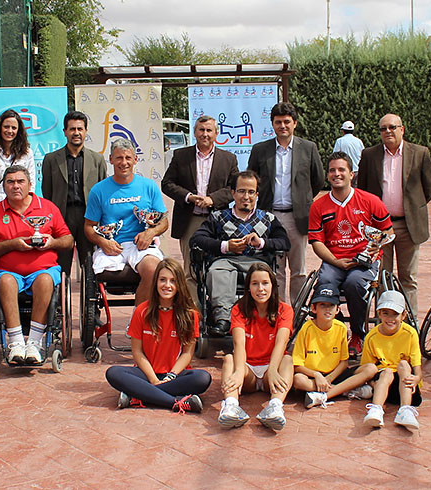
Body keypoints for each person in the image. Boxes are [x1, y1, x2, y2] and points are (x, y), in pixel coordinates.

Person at [0, 165, 74, 365]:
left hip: (44, 269)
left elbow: (68, 240)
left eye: (20, 181)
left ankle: (35, 343)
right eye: (10, 182)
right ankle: (16, 343)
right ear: (3, 187)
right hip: (9, 271)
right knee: (4, 281)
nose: (15, 186)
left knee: (45, 280)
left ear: (30, 184)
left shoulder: (47, 208)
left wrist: (51, 242)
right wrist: (11, 244)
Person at [308, 152, 392, 354]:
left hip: (365, 261)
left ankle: (357, 334)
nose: (337, 174)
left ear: (352, 174)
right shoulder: (318, 205)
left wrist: (377, 246)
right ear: (327, 175)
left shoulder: (370, 201)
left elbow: (388, 231)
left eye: (341, 170)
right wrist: (336, 261)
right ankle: (331, 331)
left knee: (354, 283)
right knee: (325, 281)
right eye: (332, 170)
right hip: (333, 260)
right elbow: (316, 242)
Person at [189, 171, 290, 336]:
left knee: (263, 275)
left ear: (257, 195)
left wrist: (262, 243)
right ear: (233, 193)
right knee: (216, 271)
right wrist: (225, 245)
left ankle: (262, 318)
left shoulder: (268, 218)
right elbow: (197, 239)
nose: (246, 196)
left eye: (251, 192)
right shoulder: (218, 216)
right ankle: (223, 319)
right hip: (225, 260)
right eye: (242, 191)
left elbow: (284, 242)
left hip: (257, 262)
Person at [105, 258, 212, 413]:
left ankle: (139, 395)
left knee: (202, 378)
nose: (167, 285)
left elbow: (187, 353)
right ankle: (175, 402)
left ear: (179, 285)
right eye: (162, 280)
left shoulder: (190, 314)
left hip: (175, 375)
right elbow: (137, 352)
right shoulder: (142, 311)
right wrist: (153, 379)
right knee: (114, 373)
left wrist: (172, 375)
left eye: (173, 281)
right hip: (146, 373)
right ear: (155, 282)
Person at [356, 113, 431, 313]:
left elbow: (429, 188)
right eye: (383, 128)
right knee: (382, 276)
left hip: (409, 225)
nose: (388, 132)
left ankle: (410, 323)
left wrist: (411, 208)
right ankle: (385, 323)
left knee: (408, 278)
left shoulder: (420, 153)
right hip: (379, 227)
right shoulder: (370, 155)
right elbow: (363, 189)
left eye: (392, 127)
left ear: (402, 129)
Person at [247, 102, 324, 303]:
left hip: (297, 217)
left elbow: (318, 180)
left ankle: (297, 312)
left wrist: (302, 200)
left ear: (295, 123)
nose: (283, 126)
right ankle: (278, 310)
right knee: (275, 268)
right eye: (278, 122)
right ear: (272, 124)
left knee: (298, 269)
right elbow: (252, 179)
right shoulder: (260, 150)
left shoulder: (308, 148)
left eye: (287, 122)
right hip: (270, 218)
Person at [84, 138, 168, 305]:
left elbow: (163, 221)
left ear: (135, 159)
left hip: (141, 246)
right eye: (119, 158)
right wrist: (102, 241)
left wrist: (150, 232)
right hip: (111, 247)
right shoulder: (98, 190)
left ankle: (137, 323)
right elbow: (88, 227)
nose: (124, 163)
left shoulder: (149, 186)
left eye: (128, 158)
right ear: (111, 159)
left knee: (153, 270)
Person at [162, 115, 238, 295]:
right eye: (201, 130)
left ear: (216, 133)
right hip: (190, 220)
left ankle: (215, 313)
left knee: (217, 269)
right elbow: (167, 183)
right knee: (190, 270)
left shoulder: (228, 159)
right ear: (195, 132)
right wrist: (188, 197)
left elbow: (234, 189)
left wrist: (213, 199)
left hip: (217, 221)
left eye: (209, 130)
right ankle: (196, 316)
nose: (205, 134)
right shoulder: (181, 156)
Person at [218, 263, 295, 431]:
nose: (260, 288)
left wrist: (273, 370)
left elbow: (281, 343)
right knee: (229, 359)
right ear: (248, 288)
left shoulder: (285, 310)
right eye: (255, 284)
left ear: (273, 286)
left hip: (270, 370)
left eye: (265, 283)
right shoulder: (239, 309)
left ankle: (275, 406)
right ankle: (231, 406)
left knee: (288, 360)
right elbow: (238, 343)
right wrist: (239, 371)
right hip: (248, 369)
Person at [41, 110, 107, 274]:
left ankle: (90, 298)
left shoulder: (97, 160)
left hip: (89, 218)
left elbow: (103, 192)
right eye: (72, 129)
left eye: (80, 129)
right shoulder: (51, 159)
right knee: (60, 265)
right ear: (65, 132)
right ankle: (60, 297)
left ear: (86, 131)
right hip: (62, 217)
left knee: (91, 263)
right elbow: (47, 192)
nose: (76, 133)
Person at [292, 284, 378, 409]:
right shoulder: (306, 329)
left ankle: (325, 394)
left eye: (331, 305)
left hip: (335, 374)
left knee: (371, 369)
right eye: (323, 305)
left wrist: (330, 378)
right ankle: (344, 390)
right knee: (298, 380)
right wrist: (317, 375)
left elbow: (344, 362)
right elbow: (298, 365)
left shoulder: (341, 328)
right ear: (314, 308)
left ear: (337, 309)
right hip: (313, 376)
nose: (328, 310)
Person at [360, 291, 423, 431]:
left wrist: (417, 378)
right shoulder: (372, 337)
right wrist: (373, 384)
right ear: (379, 314)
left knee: (404, 365)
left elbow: (417, 365)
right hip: (383, 385)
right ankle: (376, 409)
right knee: (387, 371)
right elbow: (367, 368)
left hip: (405, 385)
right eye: (385, 313)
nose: (390, 318)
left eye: (395, 314)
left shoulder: (410, 334)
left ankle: (405, 410)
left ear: (403, 315)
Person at [0, 109, 36, 211]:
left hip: (20, 210)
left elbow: (30, 185)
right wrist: (0, 209)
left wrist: (19, 208)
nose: (10, 131)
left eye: (13, 128)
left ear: (18, 131)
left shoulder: (27, 154)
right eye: (6, 127)